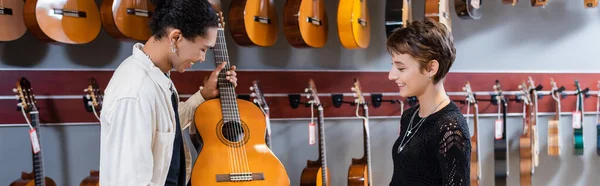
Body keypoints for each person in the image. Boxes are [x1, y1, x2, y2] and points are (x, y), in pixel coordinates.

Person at [98, 0, 237, 185]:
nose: (202, 58)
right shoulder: (136, 91)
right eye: (202, 49)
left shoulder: (156, 76)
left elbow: (164, 127)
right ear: (176, 38)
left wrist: (204, 95)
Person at [386, 18, 471, 186]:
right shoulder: (409, 116)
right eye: (393, 66)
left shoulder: (451, 128)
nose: (391, 75)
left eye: (401, 68)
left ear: (431, 68)